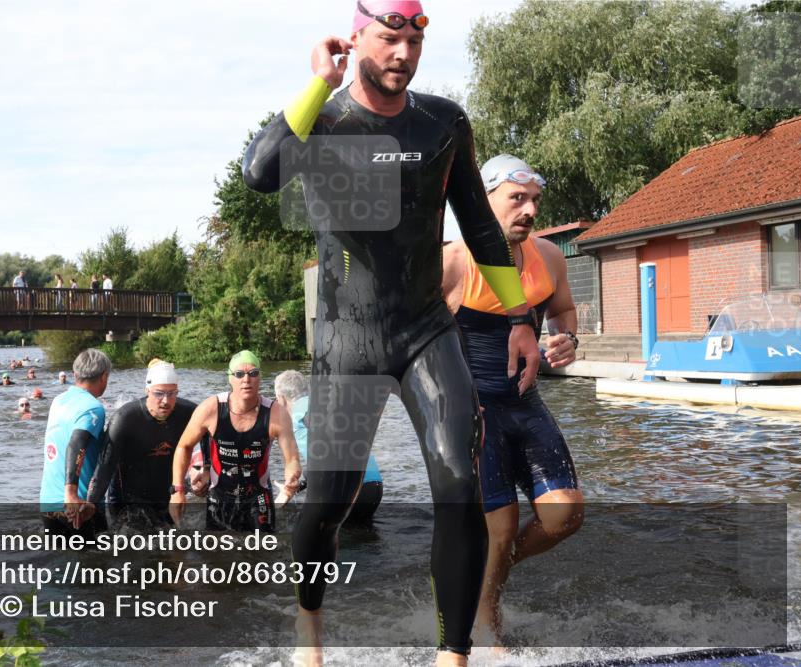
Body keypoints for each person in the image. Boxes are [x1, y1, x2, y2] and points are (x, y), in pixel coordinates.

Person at [240, 2, 539, 662]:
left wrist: (520, 317)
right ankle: (308, 615)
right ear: (357, 39)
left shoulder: (443, 123)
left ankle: (451, 654)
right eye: (388, 39)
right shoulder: (324, 117)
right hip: (349, 339)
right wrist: (318, 80)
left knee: (459, 478)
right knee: (329, 501)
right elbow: (259, 173)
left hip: (428, 329)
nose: (403, 54)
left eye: (414, 40)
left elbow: (481, 228)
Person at [442, 154, 585, 649]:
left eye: (534, 201)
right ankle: (486, 623)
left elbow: (565, 312)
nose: (528, 210)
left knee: (565, 515)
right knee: (498, 530)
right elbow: (410, 335)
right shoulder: (455, 261)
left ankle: (481, 572)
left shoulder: (549, 256)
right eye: (517, 199)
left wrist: (568, 339)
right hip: (475, 414)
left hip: (526, 403)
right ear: (484, 202)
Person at [170, 350, 302, 533]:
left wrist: (292, 477)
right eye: (239, 374)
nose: (246, 379)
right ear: (230, 378)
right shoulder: (211, 408)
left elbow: (292, 458)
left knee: (265, 551)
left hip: (259, 496)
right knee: (217, 554)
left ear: (260, 377)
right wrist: (177, 490)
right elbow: (184, 447)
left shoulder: (276, 414)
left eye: (253, 373)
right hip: (220, 495)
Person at [86, 361, 208, 530]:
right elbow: (104, 469)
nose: (166, 401)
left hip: (166, 497)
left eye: (172, 394)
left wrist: (207, 469)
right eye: (159, 394)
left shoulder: (188, 412)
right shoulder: (125, 418)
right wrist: (90, 507)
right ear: (147, 391)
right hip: (127, 504)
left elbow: (210, 435)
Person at [273, 370, 382, 523]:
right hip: (374, 486)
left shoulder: (301, 410)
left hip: (350, 491)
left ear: (281, 399)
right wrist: (299, 485)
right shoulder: (323, 404)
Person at [38, 348, 112, 537]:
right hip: (78, 506)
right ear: (104, 377)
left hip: (48, 503)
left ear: (75, 374)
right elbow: (76, 442)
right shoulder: (93, 407)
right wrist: (71, 493)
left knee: (58, 563)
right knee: (99, 563)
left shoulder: (58, 401)